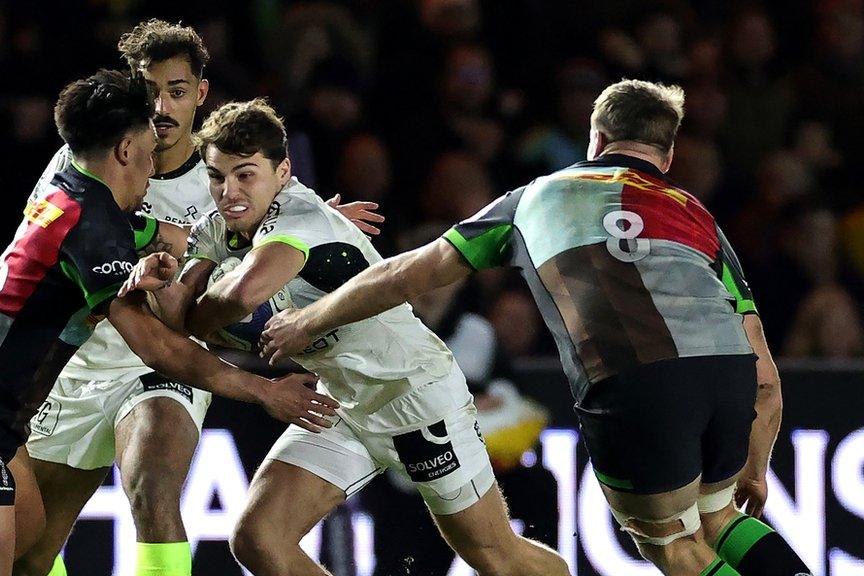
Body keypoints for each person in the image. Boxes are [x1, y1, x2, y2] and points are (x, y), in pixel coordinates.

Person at [261, 79, 814, 576]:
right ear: (666, 156)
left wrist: (311, 317)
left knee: (672, 543)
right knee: (718, 517)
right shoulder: (697, 215)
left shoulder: (535, 198)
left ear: (594, 139)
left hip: (639, 382)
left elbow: (409, 272)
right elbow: (764, 369)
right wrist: (757, 465)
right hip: (728, 375)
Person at [0, 70, 336, 576]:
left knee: (32, 549)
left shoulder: (72, 187)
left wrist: (304, 219)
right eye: (150, 153)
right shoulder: (94, 227)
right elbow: (160, 348)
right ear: (126, 150)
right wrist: (264, 392)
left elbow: (173, 235)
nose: (153, 170)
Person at [122, 98, 570, 576]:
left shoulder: (297, 220)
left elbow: (239, 295)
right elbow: (182, 312)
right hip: (343, 405)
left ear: (283, 171)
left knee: (495, 557)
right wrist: (157, 279)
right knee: (259, 539)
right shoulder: (223, 226)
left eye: (246, 174)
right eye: (216, 176)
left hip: (415, 399)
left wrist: (193, 313)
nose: (229, 191)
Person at [16, 19, 383, 576]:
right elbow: (37, 246)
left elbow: (295, 221)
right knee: (31, 554)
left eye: (178, 92)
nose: (161, 107)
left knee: (152, 486)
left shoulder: (225, 165)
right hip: (81, 362)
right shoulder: (84, 157)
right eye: (149, 91)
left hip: (167, 359)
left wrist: (325, 221)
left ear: (201, 95)